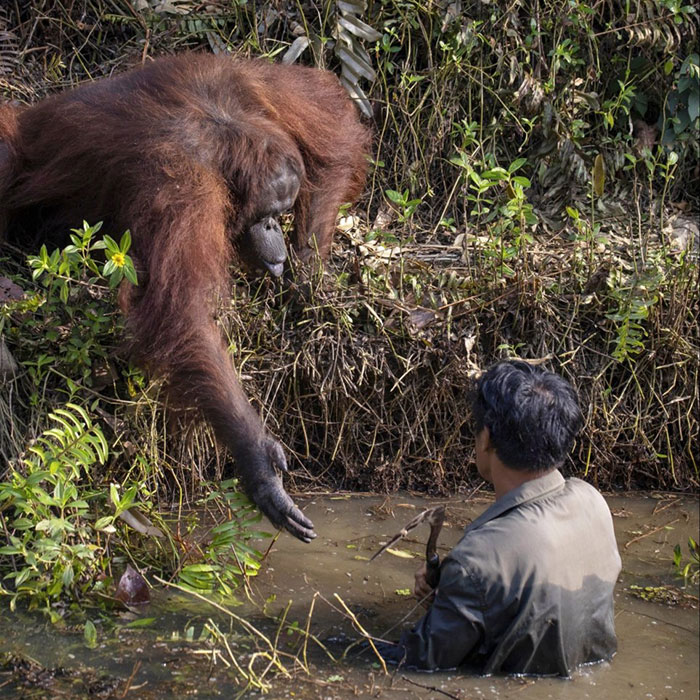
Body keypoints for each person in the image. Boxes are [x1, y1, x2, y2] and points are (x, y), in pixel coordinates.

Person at [378, 360, 622, 676]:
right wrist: (453, 594)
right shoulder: (592, 500)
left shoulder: (479, 560)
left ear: (486, 438)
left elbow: (417, 662)